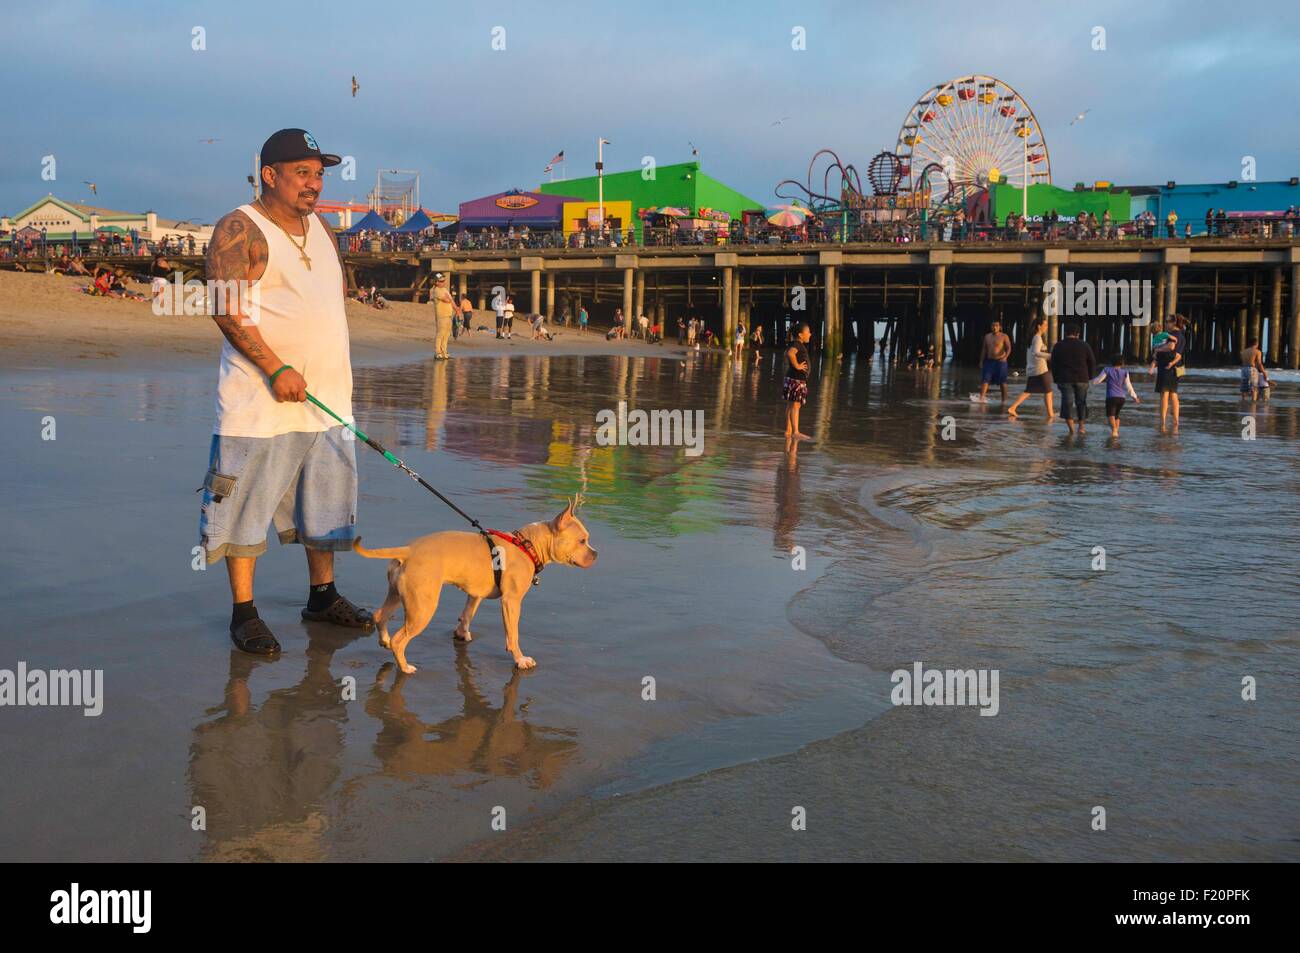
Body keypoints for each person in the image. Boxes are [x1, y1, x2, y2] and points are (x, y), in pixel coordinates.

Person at [198, 127, 372, 655]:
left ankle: (323, 596)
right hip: (259, 405)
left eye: (319, 174)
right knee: (245, 507)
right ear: (269, 175)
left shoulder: (323, 229)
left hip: (328, 404)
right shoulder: (239, 227)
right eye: (302, 173)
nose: (313, 184)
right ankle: (243, 614)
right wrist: (275, 368)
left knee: (325, 508)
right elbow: (225, 309)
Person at [1049, 323, 1097, 435]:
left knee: (1067, 403)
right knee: (1081, 402)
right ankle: (1081, 427)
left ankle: (1071, 430)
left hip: (1065, 379)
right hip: (1082, 378)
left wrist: (1056, 379)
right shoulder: (1085, 345)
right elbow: (1092, 362)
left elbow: (1053, 364)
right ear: (1078, 334)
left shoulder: (1058, 346)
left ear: (1065, 333)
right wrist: (1089, 376)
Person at [1007, 315, 1055, 419]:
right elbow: (1036, 352)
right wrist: (1050, 356)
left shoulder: (1034, 337)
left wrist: (1044, 350)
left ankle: (1013, 407)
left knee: (1030, 391)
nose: (1046, 327)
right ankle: (1050, 414)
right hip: (1040, 369)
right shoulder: (1037, 338)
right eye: (1045, 325)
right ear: (1039, 326)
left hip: (1034, 368)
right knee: (1048, 391)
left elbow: (1035, 351)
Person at [1091, 353, 1140, 438]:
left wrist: (1091, 382)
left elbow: (1098, 380)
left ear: (1111, 362)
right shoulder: (1125, 372)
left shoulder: (1107, 370)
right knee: (1117, 416)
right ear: (1122, 364)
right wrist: (1135, 397)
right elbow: (1129, 386)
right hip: (1122, 398)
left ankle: (1114, 431)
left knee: (1111, 415)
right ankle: (1116, 431)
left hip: (1111, 397)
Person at [783, 322, 812, 442]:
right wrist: (797, 366)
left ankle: (789, 430)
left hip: (794, 378)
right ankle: (795, 432)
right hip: (796, 379)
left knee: (792, 405)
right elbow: (790, 354)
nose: (810, 334)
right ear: (800, 335)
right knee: (795, 405)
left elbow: (786, 353)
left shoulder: (796, 343)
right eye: (808, 332)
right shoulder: (797, 344)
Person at [975, 319, 1012, 402]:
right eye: (993, 326)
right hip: (989, 361)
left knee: (1003, 382)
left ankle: (1004, 400)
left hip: (1000, 362)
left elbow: (1009, 348)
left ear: (1000, 327)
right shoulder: (987, 336)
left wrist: (1005, 357)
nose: (994, 327)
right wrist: (981, 361)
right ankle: (981, 399)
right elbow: (984, 349)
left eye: (996, 325)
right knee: (985, 380)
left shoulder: (1004, 336)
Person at [1150, 333, 1182, 431]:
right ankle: (1175, 421)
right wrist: (1152, 367)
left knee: (1165, 396)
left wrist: (1152, 367)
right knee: (1173, 396)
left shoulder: (1162, 350)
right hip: (1175, 372)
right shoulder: (1168, 350)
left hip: (1166, 373)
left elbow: (1156, 361)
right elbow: (1179, 356)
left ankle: (1163, 421)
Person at [430, 272, 455, 359]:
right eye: (441, 281)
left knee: (447, 334)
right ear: (436, 282)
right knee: (440, 334)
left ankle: (444, 351)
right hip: (441, 315)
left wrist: (457, 310)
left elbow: (451, 301)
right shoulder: (436, 290)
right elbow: (447, 300)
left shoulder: (445, 290)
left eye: (444, 280)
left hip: (448, 315)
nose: (443, 282)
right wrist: (449, 299)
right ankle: (437, 352)